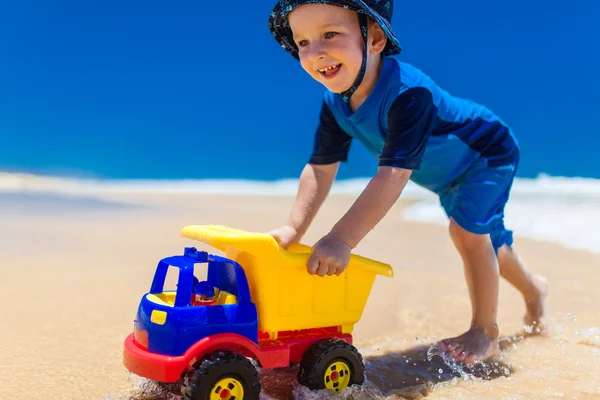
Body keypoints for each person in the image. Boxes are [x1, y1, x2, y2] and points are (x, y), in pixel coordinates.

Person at [266, 0, 549, 364]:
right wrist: (294, 227)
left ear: (376, 39)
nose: (315, 51)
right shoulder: (335, 104)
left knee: (467, 234)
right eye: (302, 42)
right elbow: (321, 168)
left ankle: (485, 331)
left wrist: (340, 239)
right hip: (446, 176)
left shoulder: (408, 93)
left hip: (486, 152)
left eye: (330, 34)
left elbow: (393, 174)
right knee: (487, 241)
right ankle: (535, 291)